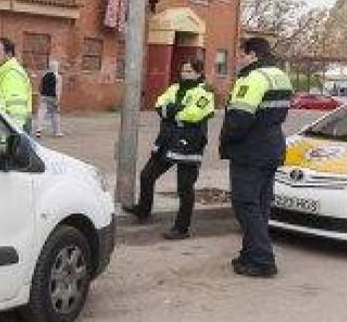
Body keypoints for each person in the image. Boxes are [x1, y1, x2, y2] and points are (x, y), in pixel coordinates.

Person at [219, 37, 294, 278]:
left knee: (244, 204)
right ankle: (250, 253)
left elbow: (239, 118)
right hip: (272, 146)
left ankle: (262, 259)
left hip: (250, 150)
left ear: (252, 55)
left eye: (241, 55)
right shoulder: (280, 76)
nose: (239, 60)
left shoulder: (253, 78)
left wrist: (226, 142)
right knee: (260, 204)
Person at [125, 59, 216, 239]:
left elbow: (194, 115)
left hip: (190, 143)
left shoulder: (205, 92)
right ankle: (143, 210)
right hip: (167, 140)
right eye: (183, 71)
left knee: (184, 187)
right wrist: (176, 113)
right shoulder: (174, 88)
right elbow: (159, 106)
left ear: (198, 73)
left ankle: (181, 229)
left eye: (189, 71)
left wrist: (171, 113)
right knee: (147, 175)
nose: (185, 74)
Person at [0, 37, 33, 132]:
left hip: (11, 135)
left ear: (9, 55)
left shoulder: (12, 75)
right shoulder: (1, 73)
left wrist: (12, 140)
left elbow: (17, 112)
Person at [37, 60, 64, 138]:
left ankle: (39, 130)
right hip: (53, 97)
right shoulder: (58, 77)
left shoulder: (44, 75)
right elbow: (58, 89)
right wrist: (58, 100)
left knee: (41, 113)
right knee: (55, 114)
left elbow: (40, 86)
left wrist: (40, 95)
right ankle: (57, 132)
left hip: (43, 96)